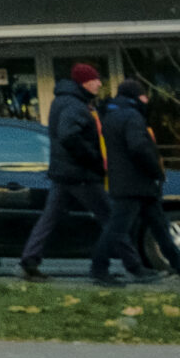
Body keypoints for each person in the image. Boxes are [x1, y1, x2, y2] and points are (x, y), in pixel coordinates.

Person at [91, 78, 180, 288]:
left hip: (126, 182)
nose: (147, 99)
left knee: (157, 227)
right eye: (143, 95)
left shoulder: (111, 116)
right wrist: (156, 171)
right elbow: (139, 147)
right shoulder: (132, 116)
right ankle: (98, 269)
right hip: (137, 183)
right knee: (121, 229)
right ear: (135, 96)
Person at [21, 63, 111, 282]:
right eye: (96, 79)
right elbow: (69, 135)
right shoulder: (75, 105)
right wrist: (93, 159)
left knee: (49, 218)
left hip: (63, 172)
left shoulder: (63, 101)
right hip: (80, 174)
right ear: (85, 82)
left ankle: (29, 260)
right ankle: (130, 265)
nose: (99, 83)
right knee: (111, 218)